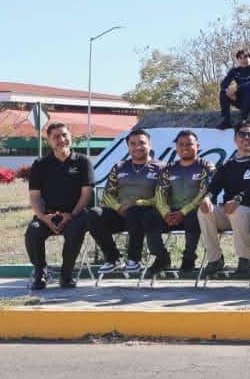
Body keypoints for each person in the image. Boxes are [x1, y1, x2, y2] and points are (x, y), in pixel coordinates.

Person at [88, 129, 169, 276]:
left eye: (142, 143)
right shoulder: (119, 167)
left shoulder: (162, 168)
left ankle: (134, 259)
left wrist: (138, 203)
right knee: (94, 214)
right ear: (128, 146)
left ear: (149, 144)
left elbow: (165, 196)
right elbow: (107, 194)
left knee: (134, 211)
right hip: (121, 214)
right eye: (133, 144)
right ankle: (113, 258)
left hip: (148, 216)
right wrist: (118, 207)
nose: (137, 147)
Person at [25, 123, 94, 290]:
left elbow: (86, 194)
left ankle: (66, 275)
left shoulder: (83, 162)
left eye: (64, 135)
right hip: (48, 215)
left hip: (75, 215)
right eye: (56, 137)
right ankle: (40, 273)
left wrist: (72, 215)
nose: (62, 139)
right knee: (33, 231)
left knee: (75, 230)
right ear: (49, 140)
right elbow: (35, 196)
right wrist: (43, 217)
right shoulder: (40, 164)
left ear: (71, 137)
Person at [199, 122, 250, 279]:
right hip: (229, 212)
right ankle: (215, 260)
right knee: (203, 211)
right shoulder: (227, 165)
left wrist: (238, 199)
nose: (247, 138)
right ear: (235, 139)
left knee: (238, 211)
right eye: (242, 134)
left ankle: (246, 261)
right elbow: (214, 187)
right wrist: (207, 198)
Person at [155, 130, 216, 275]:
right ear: (176, 147)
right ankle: (161, 257)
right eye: (181, 144)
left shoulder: (207, 166)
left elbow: (206, 192)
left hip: (194, 213)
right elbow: (160, 192)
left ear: (197, 146)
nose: (185, 147)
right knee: (150, 218)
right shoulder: (168, 169)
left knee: (193, 216)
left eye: (189, 144)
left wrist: (183, 212)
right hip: (171, 215)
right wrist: (165, 213)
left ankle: (189, 258)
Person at [217, 49, 250, 129]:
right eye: (240, 58)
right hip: (241, 100)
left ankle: (244, 119)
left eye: (245, 57)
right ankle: (226, 121)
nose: (243, 60)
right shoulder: (235, 71)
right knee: (223, 93)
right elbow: (224, 83)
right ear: (238, 60)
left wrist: (236, 89)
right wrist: (228, 91)